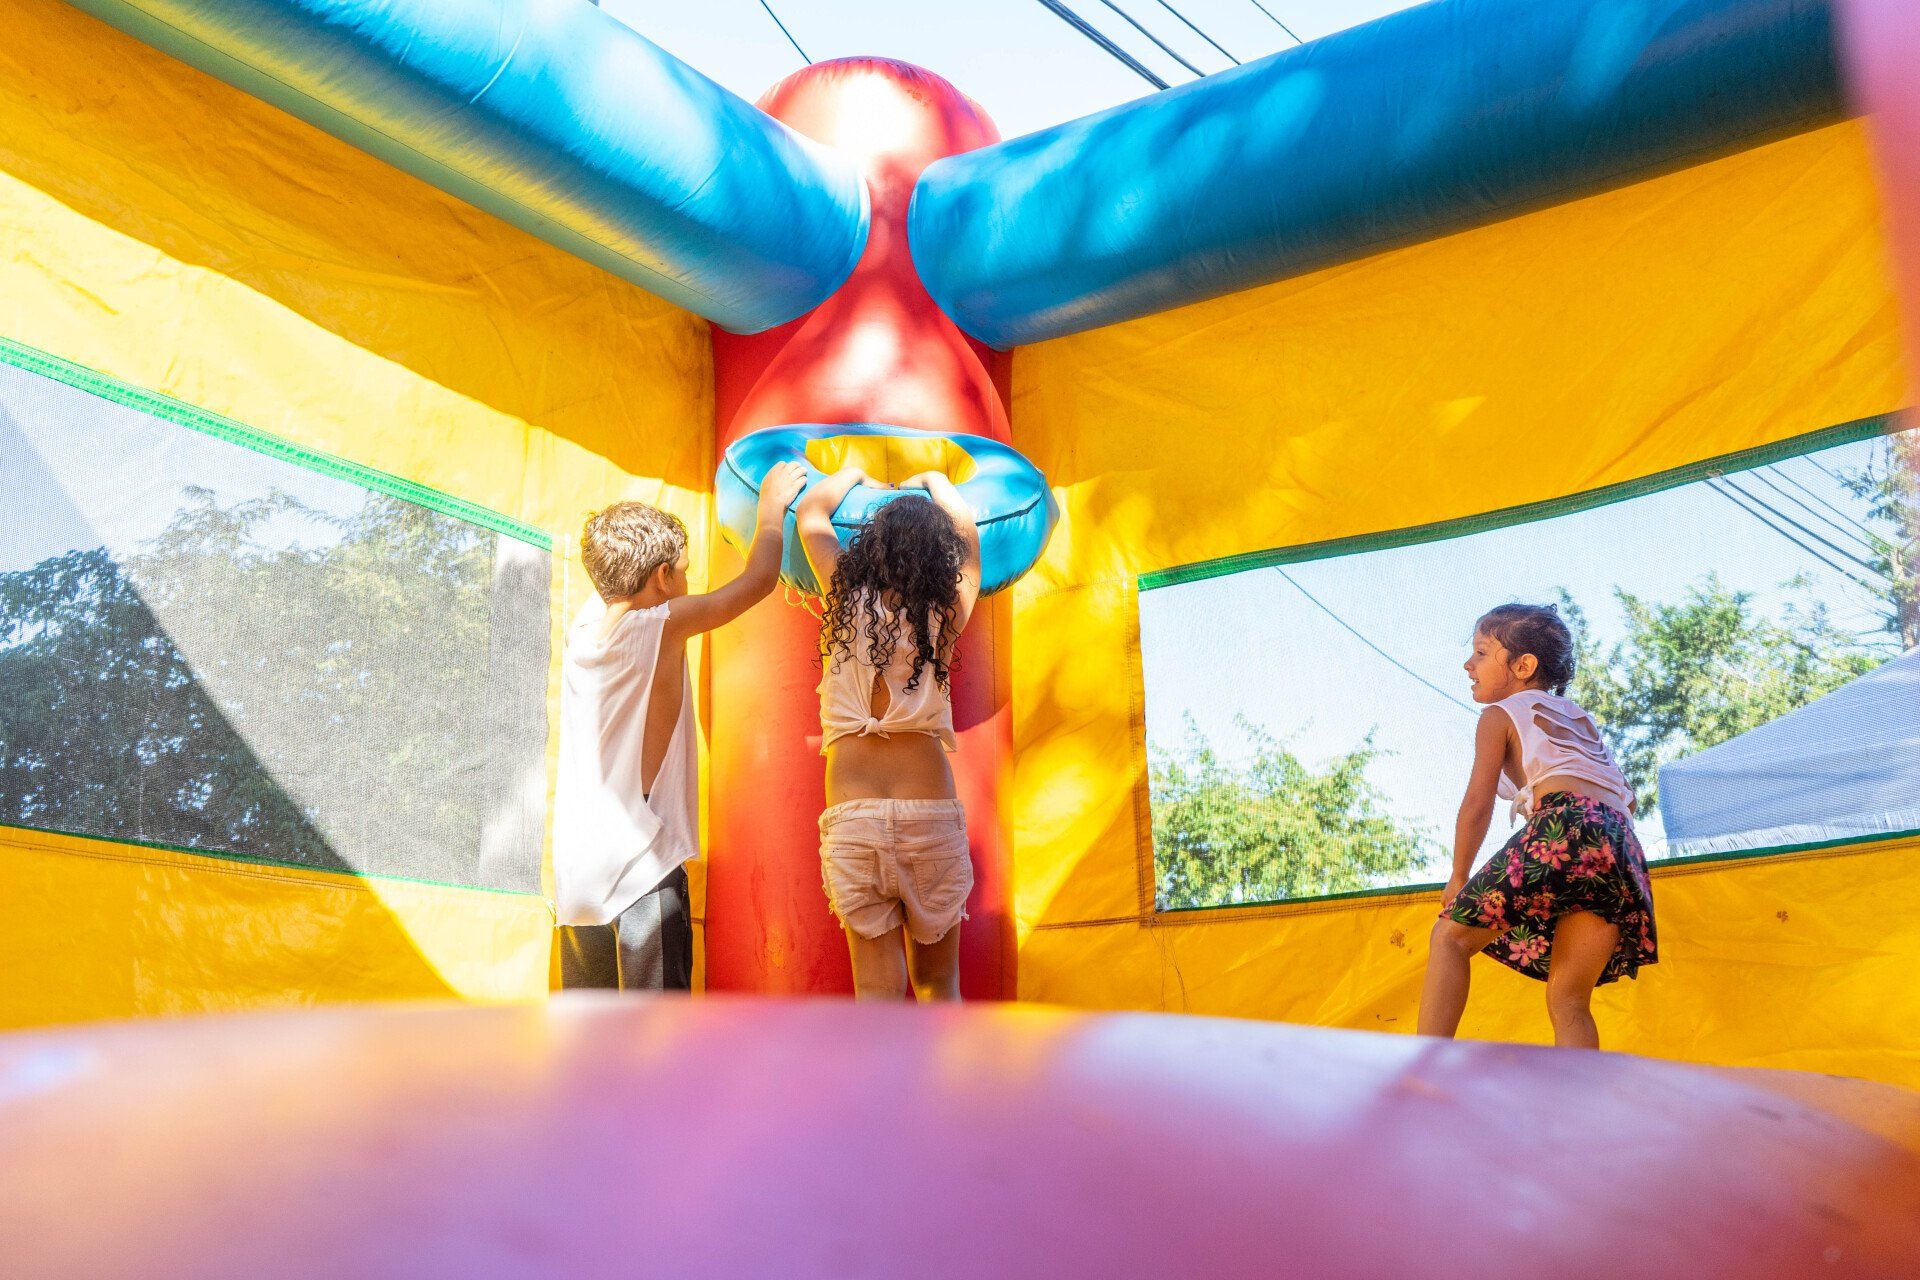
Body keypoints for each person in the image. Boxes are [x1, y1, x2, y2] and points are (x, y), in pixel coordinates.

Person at [552, 462, 808, 990]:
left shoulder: (582, 630)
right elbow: (758, 581)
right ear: (663, 578)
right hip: (640, 870)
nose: (689, 581)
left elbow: (616, 579)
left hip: (576, 879)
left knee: (590, 1041)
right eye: (684, 569)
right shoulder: (661, 626)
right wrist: (771, 508)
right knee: (658, 1039)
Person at [1418, 602, 1658, 1048]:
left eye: (1482, 653)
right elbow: (1625, 796)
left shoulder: (1500, 715)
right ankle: (1580, 1102)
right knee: (1569, 1000)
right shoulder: (1581, 720)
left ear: (1523, 665)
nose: (1468, 665)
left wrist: (1457, 875)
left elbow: (1477, 802)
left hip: (1565, 823)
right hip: (1621, 844)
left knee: (1449, 937)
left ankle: (1424, 1064)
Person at [795, 464, 981, 1001]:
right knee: (938, 984)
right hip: (930, 815)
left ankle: (883, 1090)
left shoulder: (844, 601)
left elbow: (811, 516)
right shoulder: (944, 615)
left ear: (871, 550)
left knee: (875, 996)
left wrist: (853, 474)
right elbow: (967, 537)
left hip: (854, 818)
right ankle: (944, 1089)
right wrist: (934, 482)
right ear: (935, 561)